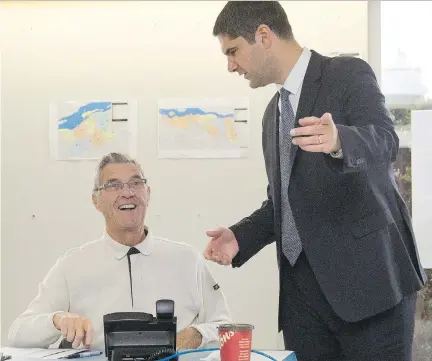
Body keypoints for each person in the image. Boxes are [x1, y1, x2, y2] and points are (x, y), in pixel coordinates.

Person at [204, 2, 427, 361]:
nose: (230, 65)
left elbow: (386, 141)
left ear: (263, 36)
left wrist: (341, 141)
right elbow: (285, 202)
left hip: (370, 289)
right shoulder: (271, 115)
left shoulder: (346, 74)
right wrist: (239, 236)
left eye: (233, 51)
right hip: (304, 304)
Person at [9, 152, 232, 350]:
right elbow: (18, 333)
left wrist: (197, 335)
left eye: (135, 183)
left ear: (148, 193)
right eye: (113, 185)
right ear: (96, 201)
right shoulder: (72, 265)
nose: (127, 192)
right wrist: (57, 320)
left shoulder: (187, 260)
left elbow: (227, 327)